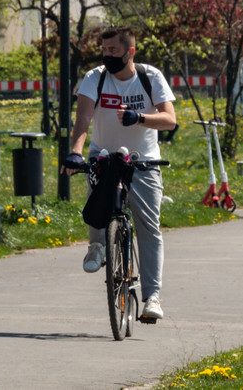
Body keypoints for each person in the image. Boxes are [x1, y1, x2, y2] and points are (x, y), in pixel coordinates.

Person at [64, 27, 177, 320]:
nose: (107, 56)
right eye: (104, 50)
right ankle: (97, 245)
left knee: (148, 228)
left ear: (130, 52)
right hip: (104, 154)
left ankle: (152, 297)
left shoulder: (150, 77)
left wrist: (138, 117)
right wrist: (76, 152)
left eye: (113, 51)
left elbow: (169, 120)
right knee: (97, 204)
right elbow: (83, 119)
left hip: (143, 162)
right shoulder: (96, 77)